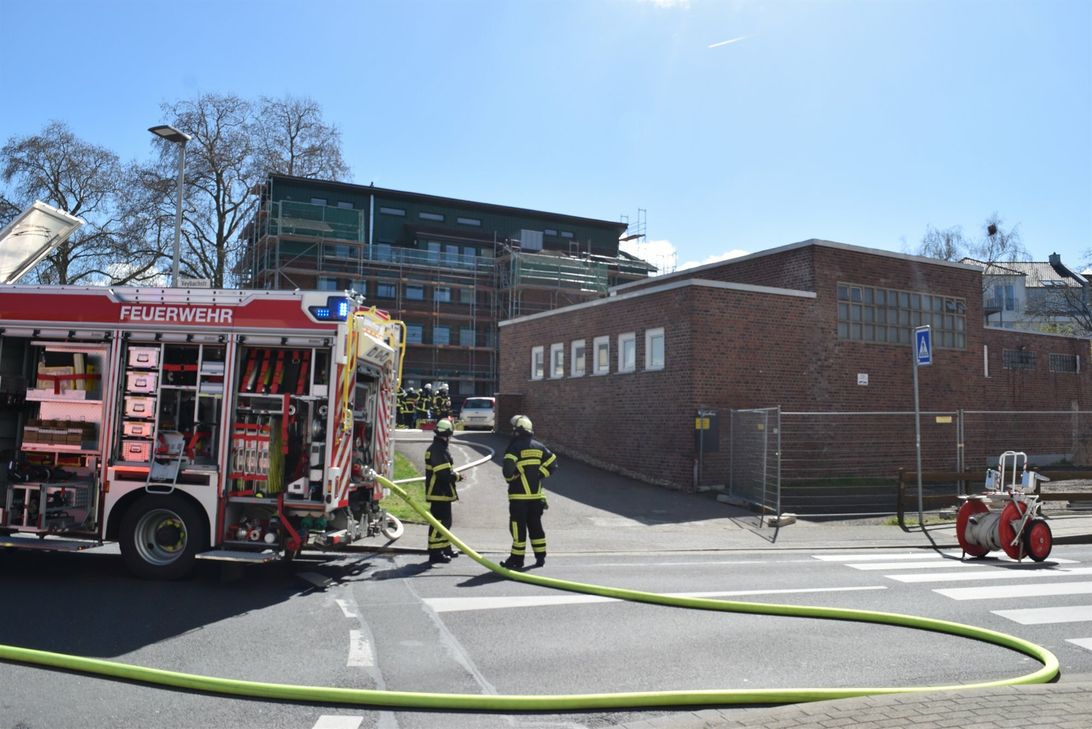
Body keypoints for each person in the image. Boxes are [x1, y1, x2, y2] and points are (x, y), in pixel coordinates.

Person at [500, 415, 557, 570]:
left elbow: (507, 472)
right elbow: (553, 463)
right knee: (535, 526)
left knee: (518, 528)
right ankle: (540, 557)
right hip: (536, 497)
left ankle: (516, 559)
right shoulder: (539, 447)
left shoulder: (514, 447)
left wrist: (513, 476)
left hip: (519, 497)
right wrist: (539, 474)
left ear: (517, 431)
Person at [424, 418, 461, 564]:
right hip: (439, 492)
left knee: (446, 522)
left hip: (442, 492)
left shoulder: (438, 448)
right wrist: (457, 477)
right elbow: (444, 474)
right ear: (448, 434)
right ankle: (435, 553)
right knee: (439, 523)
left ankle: (445, 548)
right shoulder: (438, 450)